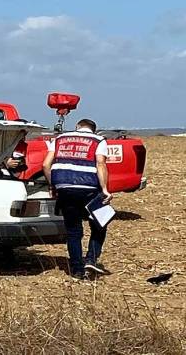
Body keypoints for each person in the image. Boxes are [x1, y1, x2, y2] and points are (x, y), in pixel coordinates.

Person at [42, 119, 112, 279]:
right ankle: (91, 259)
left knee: (73, 231)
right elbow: (100, 164)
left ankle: (77, 270)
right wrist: (105, 189)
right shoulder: (98, 140)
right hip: (89, 189)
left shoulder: (59, 139)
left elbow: (46, 165)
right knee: (99, 224)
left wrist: (53, 185)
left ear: (77, 127)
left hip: (64, 188)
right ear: (94, 130)